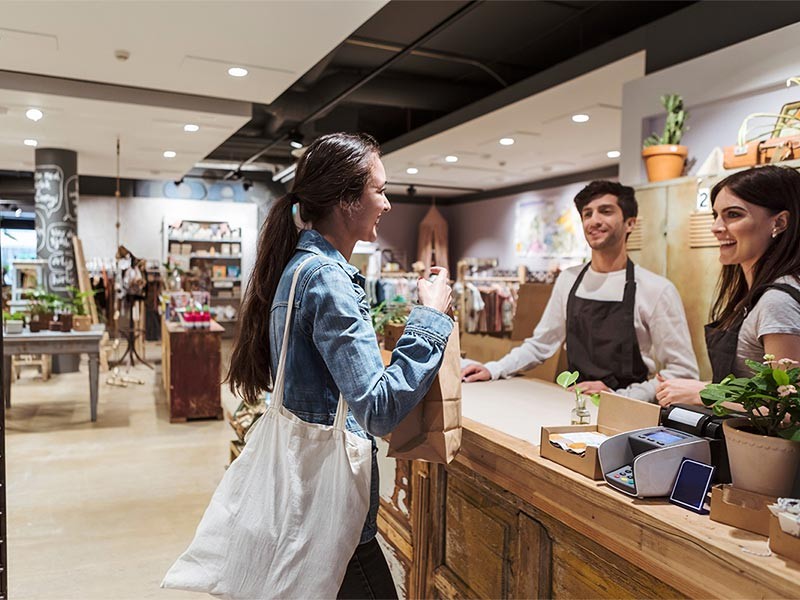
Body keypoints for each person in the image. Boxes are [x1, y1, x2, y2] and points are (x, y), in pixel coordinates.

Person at [226, 132, 453, 599]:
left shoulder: (299, 268)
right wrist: (430, 318)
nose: (387, 204)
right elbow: (378, 408)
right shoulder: (328, 281)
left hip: (303, 499)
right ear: (348, 199)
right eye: (380, 190)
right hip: (331, 512)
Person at [461, 180, 698, 402]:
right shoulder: (568, 280)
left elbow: (682, 372)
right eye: (587, 214)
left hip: (628, 412)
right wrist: (494, 368)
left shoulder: (657, 289)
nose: (593, 220)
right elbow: (541, 344)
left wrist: (619, 397)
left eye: (605, 211)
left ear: (630, 223)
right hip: (573, 404)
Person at [656, 165, 800, 407]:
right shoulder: (753, 294)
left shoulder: (778, 302)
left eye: (733, 214)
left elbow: (790, 411)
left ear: (780, 222)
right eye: (716, 215)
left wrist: (708, 393)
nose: (716, 227)